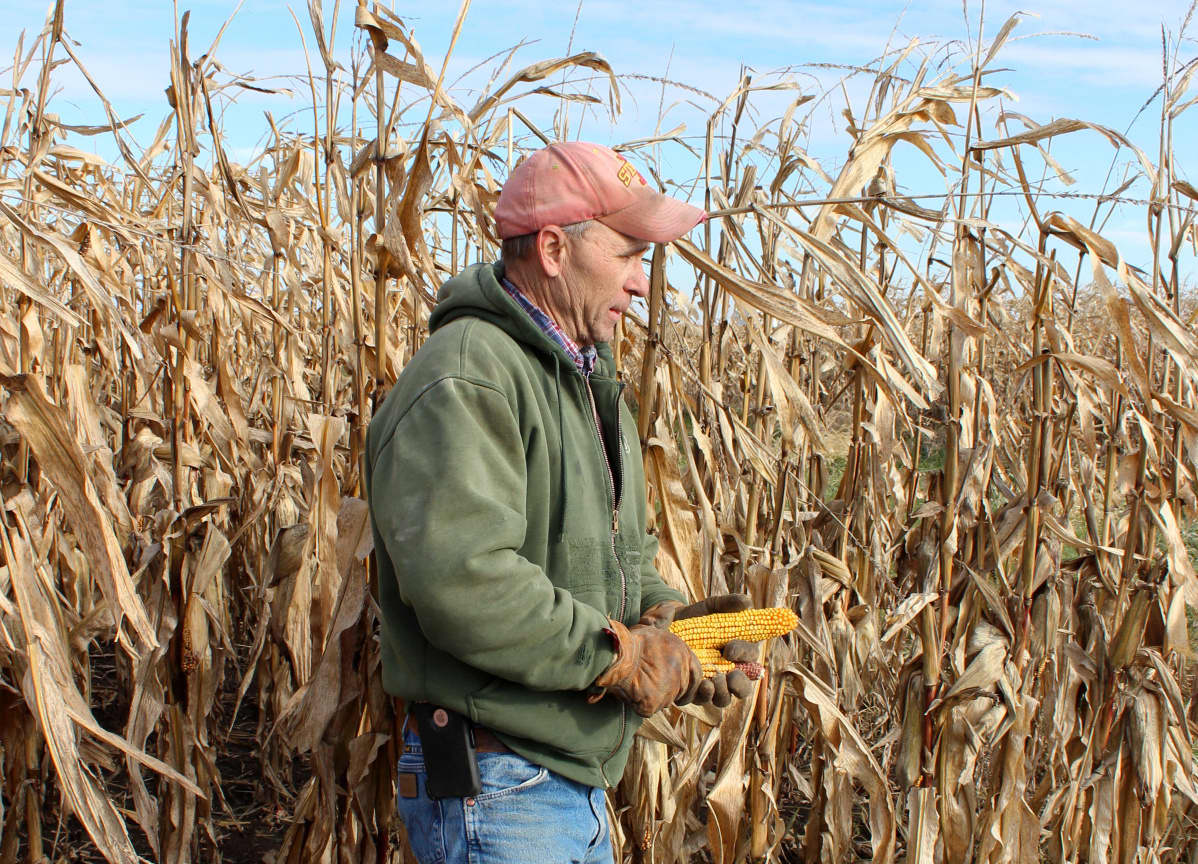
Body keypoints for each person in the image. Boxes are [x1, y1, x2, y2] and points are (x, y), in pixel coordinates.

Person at [364, 141, 756, 864]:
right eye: (628, 254)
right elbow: (465, 583)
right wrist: (623, 657)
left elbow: (617, 558)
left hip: (559, 781)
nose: (641, 283)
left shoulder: (584, 382)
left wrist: (675, 624)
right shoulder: (469, 378)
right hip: (497, 785)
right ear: (552, 249)